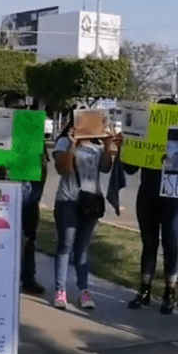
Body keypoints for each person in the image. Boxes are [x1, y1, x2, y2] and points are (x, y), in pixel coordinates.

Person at [125, 98, 178, 315]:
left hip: (175, 197)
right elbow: (130, 168)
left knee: (170, 242)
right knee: (148, 243)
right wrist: (127, 146)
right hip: (148, 194)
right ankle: (144, 290)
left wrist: (172, 159)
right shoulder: (145, 136)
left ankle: (170, 294)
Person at [51, 114, 122, 310]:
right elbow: (62, 169)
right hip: (68, 200)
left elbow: (106, 168)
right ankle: (60, 290)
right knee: (66, 245)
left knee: (82, 248)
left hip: (90, 201)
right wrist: (73, 145)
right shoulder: (65, 141)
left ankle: (83, 290)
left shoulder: (97, 145)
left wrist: (108, 145)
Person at [20, 152, 49, 295]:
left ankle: (28, 277)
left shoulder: (35, 142)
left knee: (29, 236)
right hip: (17, 183)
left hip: (32, 189)